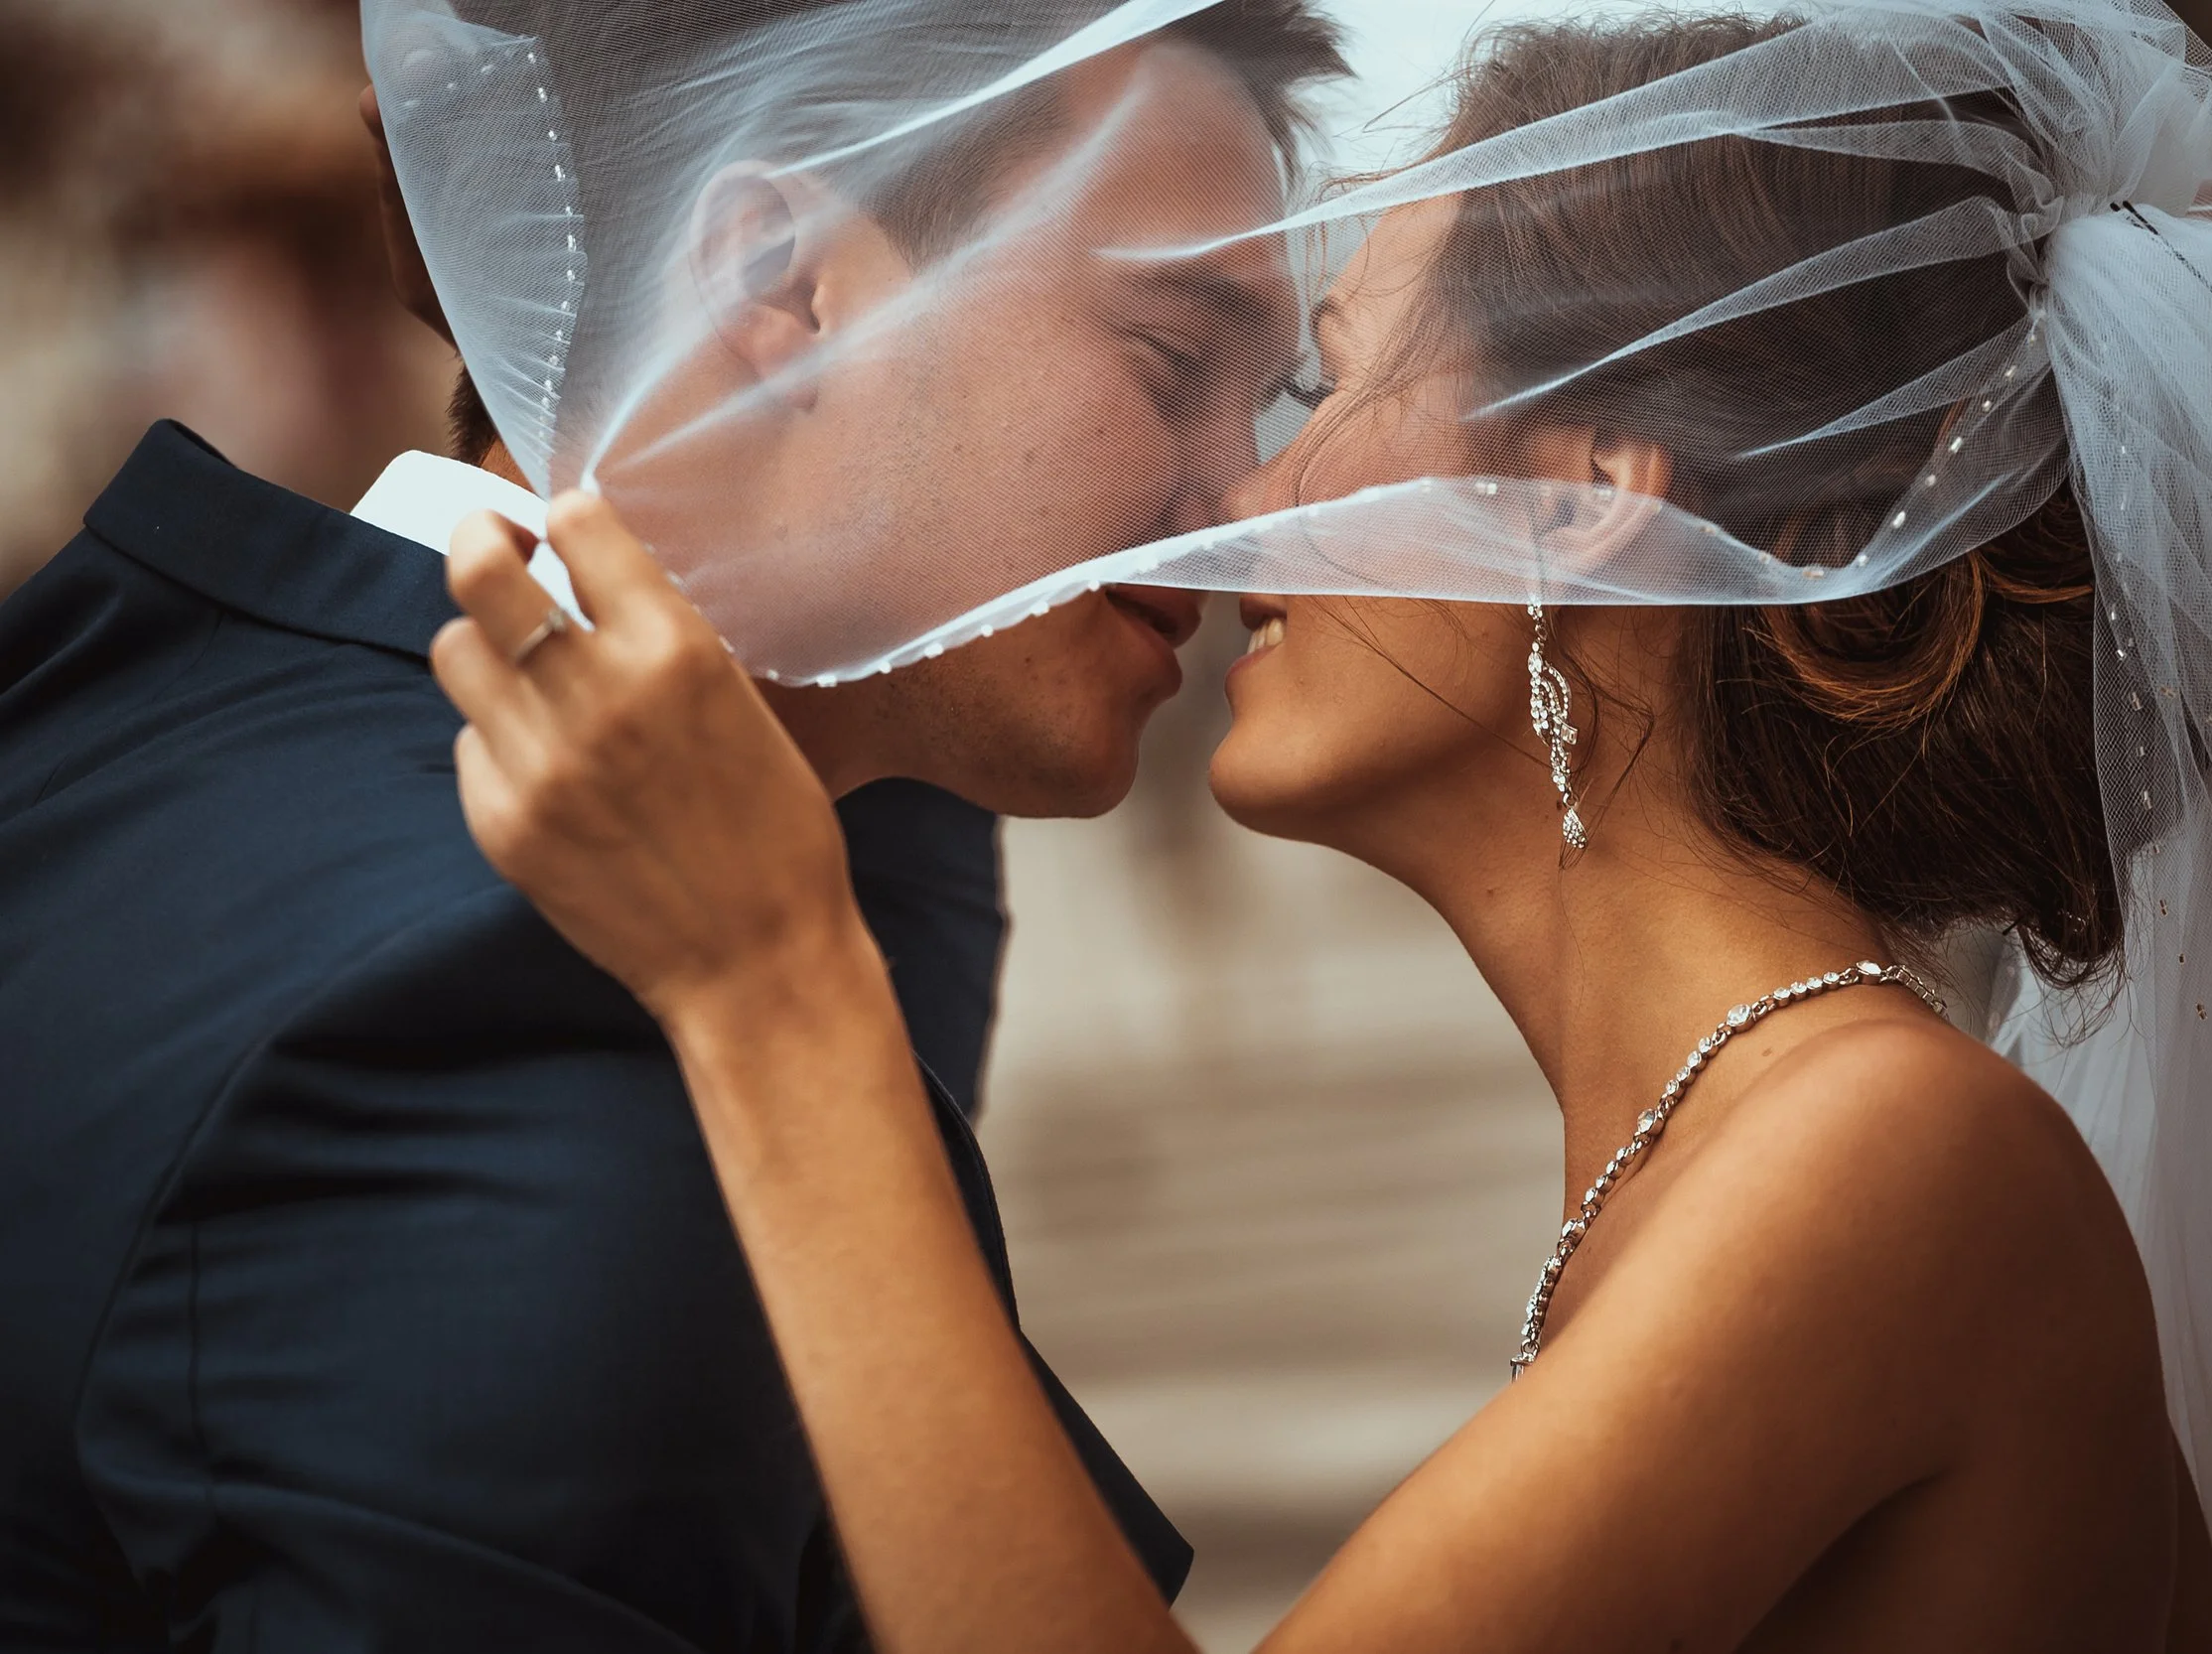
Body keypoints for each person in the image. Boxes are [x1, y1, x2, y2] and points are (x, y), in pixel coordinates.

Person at [432, 4, 2212, 1651]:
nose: (1236, 501)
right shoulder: (1750, 1145)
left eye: (1319, 382)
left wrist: (767, 980)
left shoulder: (1883, 1154)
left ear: (1580, 487)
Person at [0, 4, 1346, 1649]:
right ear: (778, 281)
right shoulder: (525, 1016)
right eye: (1167, 358)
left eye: (1265, 395)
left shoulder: (146, 701)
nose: (1254, 503)